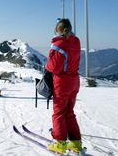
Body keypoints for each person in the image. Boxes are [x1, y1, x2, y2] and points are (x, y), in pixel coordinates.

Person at [46, 19, 82, 154]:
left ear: (58, 30)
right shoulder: (76, 41)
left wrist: (47, 64)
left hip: (62, 83)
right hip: (74, 81)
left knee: (59, 113)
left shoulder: (59, 44)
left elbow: (54, 67)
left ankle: (60, 144)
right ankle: (76, 143)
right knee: (69, 112)